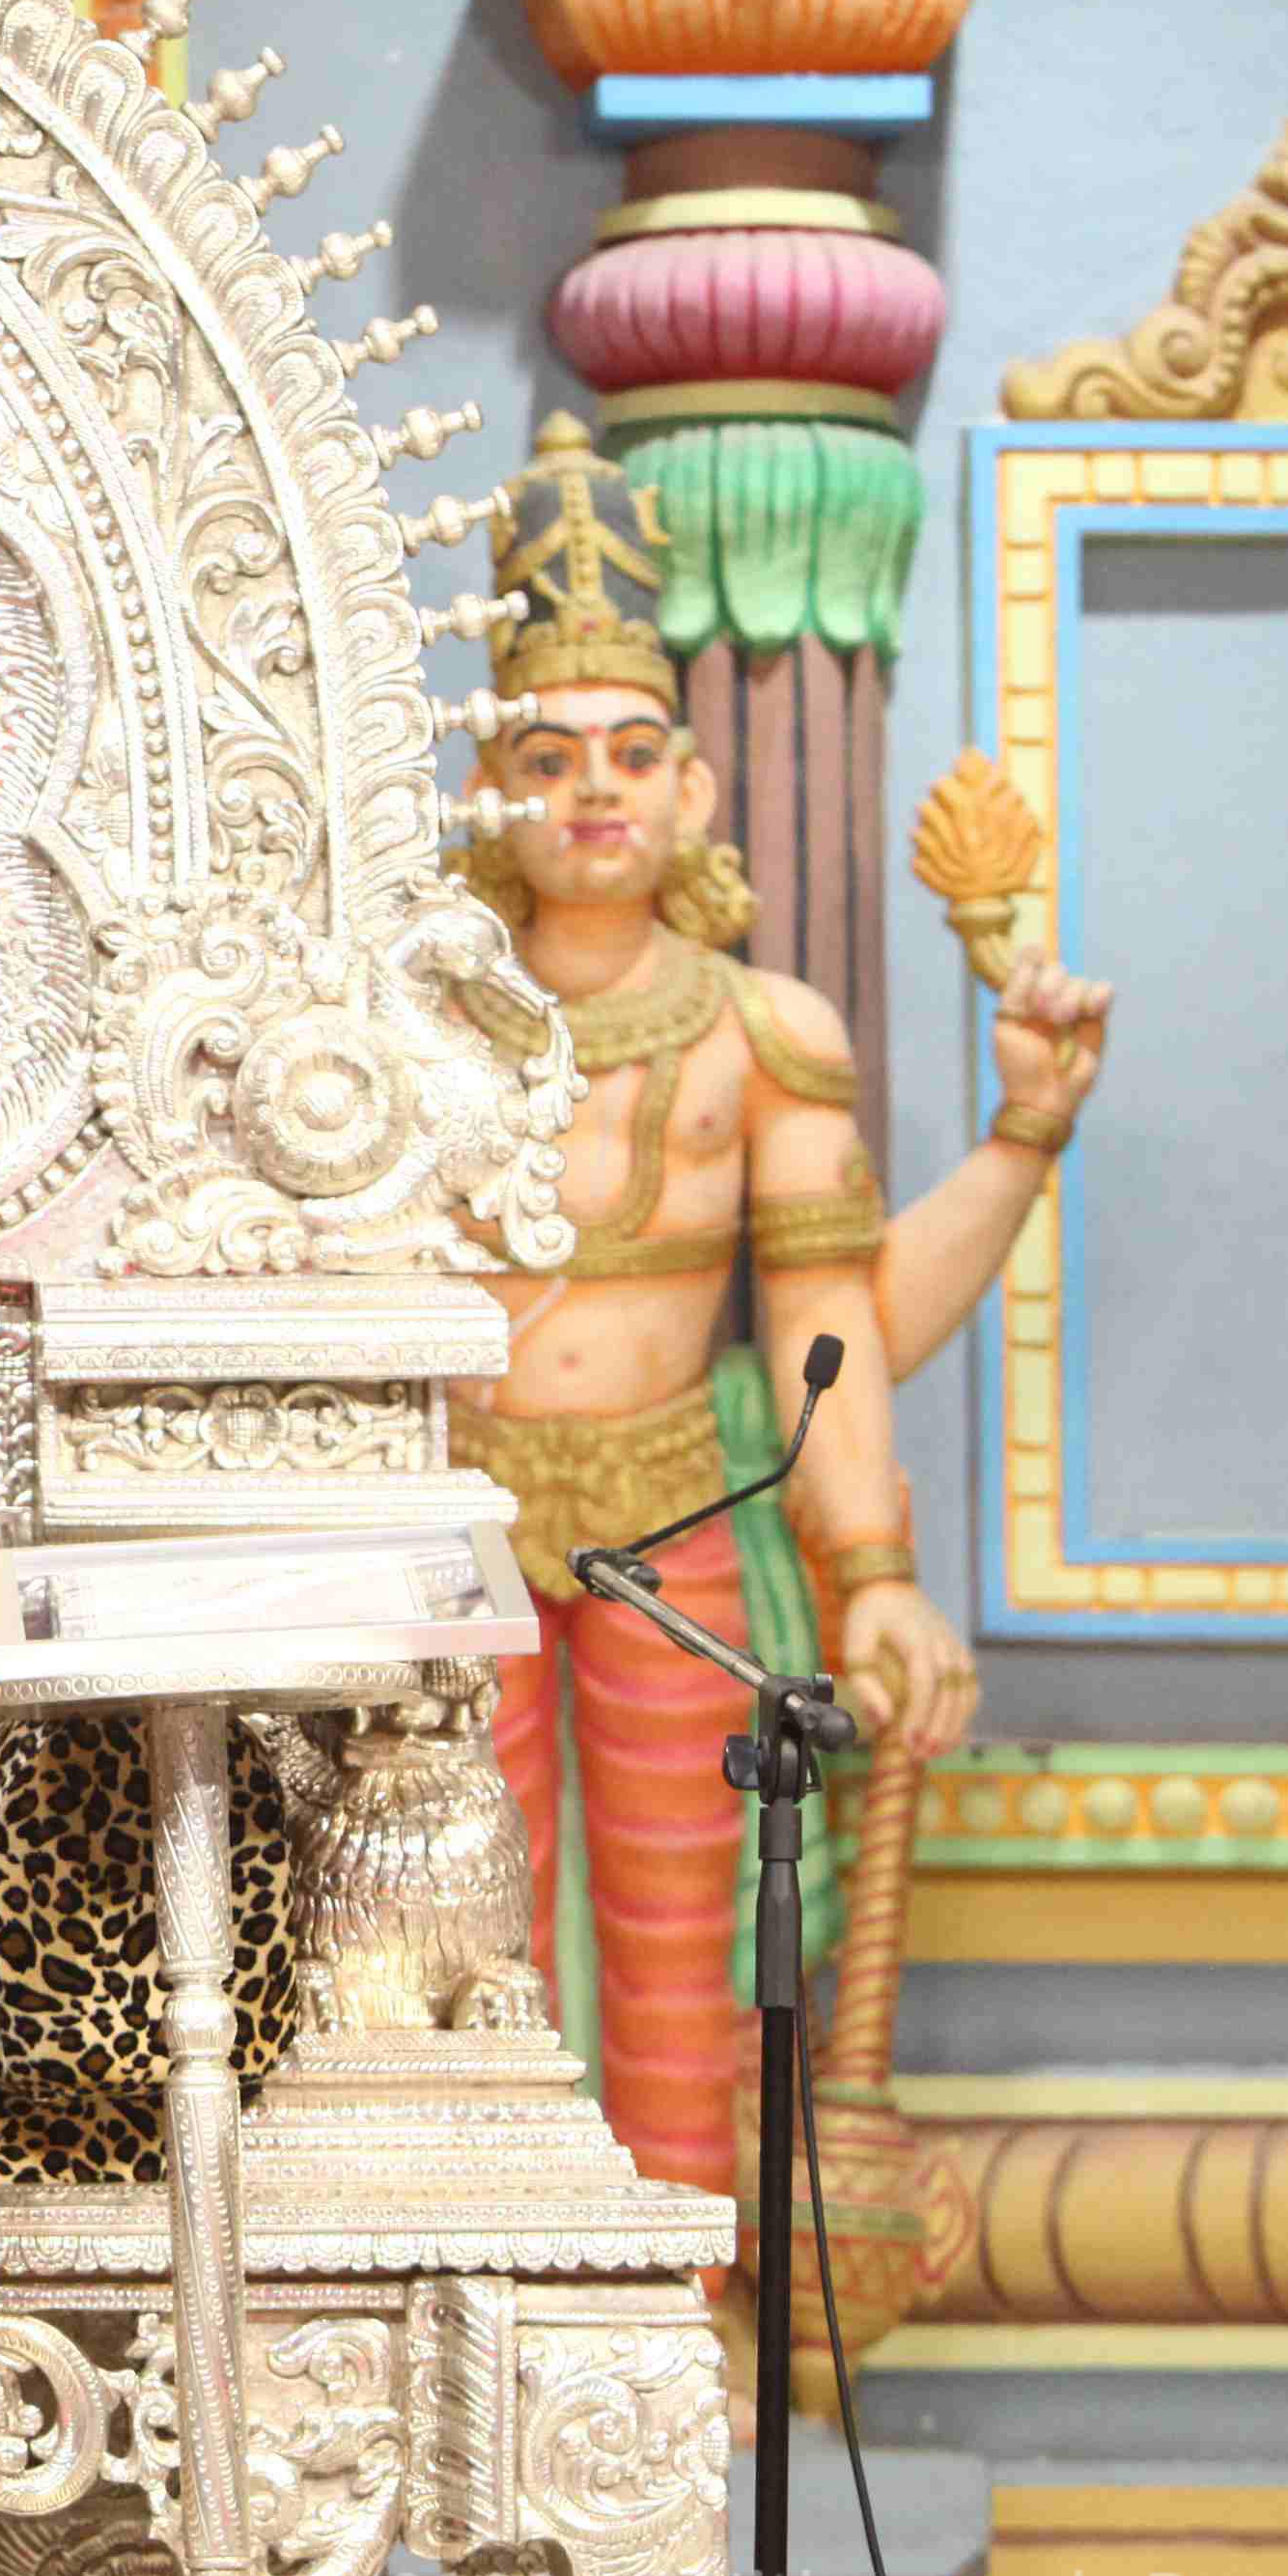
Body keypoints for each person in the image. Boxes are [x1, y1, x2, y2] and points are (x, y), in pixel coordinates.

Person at [451, 417, 1114, 2201]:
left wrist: (874, 1574)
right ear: (490, 788)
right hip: (449, 1528)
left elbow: (838, 1337)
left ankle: (681, 2302)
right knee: (450, 1949)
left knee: (692, 1937)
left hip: (680, 1516)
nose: (594, 790)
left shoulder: (765, 1035)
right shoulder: (407, 1030)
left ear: (691, 792)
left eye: (632, 752)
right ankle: (489, 2301)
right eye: (547, 755)